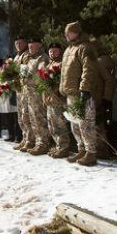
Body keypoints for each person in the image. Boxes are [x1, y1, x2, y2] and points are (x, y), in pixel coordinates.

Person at [60, 21, 102, 166]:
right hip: (70, 93)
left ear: (77, 32)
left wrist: (85, 89)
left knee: (86, 123)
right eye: (66, 33)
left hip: (82, 93)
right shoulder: (69, 49)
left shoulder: (86, 47)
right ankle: (82, 149)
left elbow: (89, 69)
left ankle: (91, 152)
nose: (67, 35)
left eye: (69, 32)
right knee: (75, 124)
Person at [44, 43, 73, 159]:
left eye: (55, 51)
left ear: (60, 51)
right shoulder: (49, 64)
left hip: (58, 99)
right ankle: (58, 146)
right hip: (49, 99)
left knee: (60, 125)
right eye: (51, 51)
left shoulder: (62, 64)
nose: (52, 53)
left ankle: (64, 147)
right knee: (52, 125)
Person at [23, 38, 51, 155]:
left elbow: (41, 75)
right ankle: (33, 140)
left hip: (37, 94)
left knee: (38, 119)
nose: (30, 48)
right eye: (29, 46)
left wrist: (27, 79)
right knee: (30, 118)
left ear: (39, 45)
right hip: (28, 93)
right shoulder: (29, 58)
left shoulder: (42, 57)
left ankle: (43, 143)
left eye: (32, 46)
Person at [11, 37, 32, 150]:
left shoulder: (27, 55)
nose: (18, 45)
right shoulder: (16, 57)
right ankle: (24, 138)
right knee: (21, 116)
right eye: (16, 43)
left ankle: (30, 140)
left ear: (25, 43)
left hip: (26, 89)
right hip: (18, 89)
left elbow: (27, 71)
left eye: (20, 43)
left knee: (26, 116)